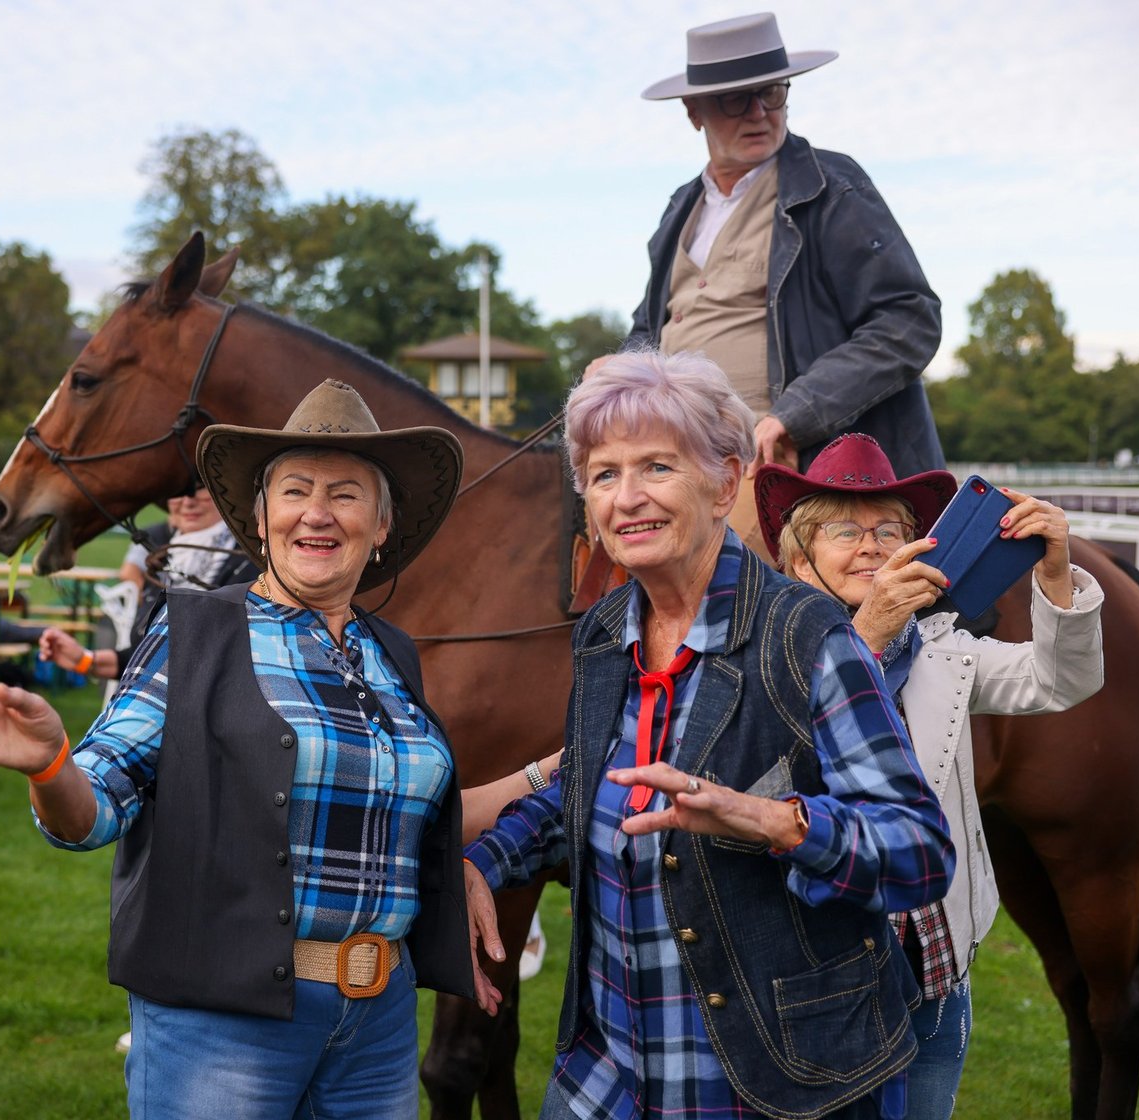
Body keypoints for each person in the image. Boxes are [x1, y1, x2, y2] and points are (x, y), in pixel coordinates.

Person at [0, 379, 474, 1118]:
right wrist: (51, 766)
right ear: (261, 517)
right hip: (224, 1021)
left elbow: (418, 812)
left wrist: (557, 770)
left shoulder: (391, 653)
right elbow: (97, 804)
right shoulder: (196, 631)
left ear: (381, 526)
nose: (317, 513)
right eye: (295, 491)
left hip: (378, 1025)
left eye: (346, 495)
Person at [463, 351, 952, 1119]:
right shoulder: (603, 634)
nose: (627, 497)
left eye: (657, 467)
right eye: (603, 474)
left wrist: (773, 821)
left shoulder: (807, 636)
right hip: (606, 1080)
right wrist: (483, 864)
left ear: (726, 484)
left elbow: (918, 851)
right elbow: (587, 789)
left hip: (772, 1084)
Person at [754, 433, 1104, 1120]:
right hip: (814, 986)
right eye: (844, 531)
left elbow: (1062, 680)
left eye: (890, 531)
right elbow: (764, 778)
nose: (872, 546)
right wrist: (868, 634)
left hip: (936, 979)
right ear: (798, 559)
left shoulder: (944, 649)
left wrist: (1056, 571)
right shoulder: (762, 652)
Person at [623, 12, 944, 554]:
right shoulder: (680, 207)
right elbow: (646, 333)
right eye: (736, 99)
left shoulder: (831, 187)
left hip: (778, 464)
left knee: (707, 571)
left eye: (771, 92)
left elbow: (909, 319)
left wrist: (796, 416)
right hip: (676, 450)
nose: (759, 112)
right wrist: (618, 369)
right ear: (694, 112)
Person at [38, 481, 256, 681]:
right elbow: (145, 657)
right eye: (178, 492)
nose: (188, 502)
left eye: (200, 490)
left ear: (224, 495)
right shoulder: (163, 559)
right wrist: (84, 660)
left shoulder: (248, 560)